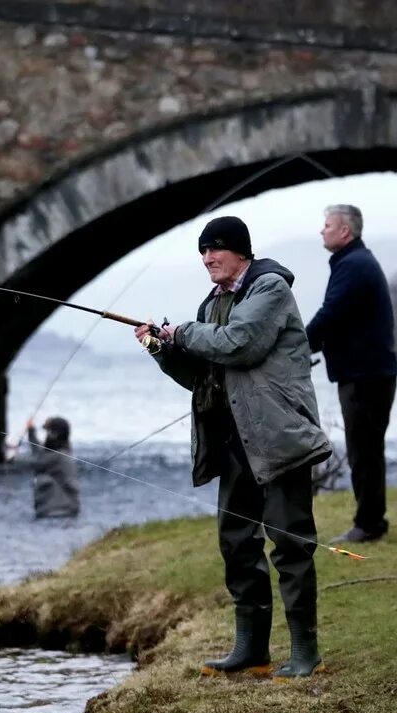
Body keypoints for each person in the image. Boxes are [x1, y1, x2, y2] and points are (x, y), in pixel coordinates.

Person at [134, 215, 332, 679]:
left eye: (216, 249)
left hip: (278, 439)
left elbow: (240, 344)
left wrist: (181, 331)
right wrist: (161, 349)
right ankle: (252, 651)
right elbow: (202, 376)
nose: (207, 258)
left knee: (290, 545)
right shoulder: (211, 306)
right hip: (232, 443)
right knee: (237, 545)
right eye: (203, 251)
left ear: (241, 250)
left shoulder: (270, 290)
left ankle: (305, 653)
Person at [305, 205, 397, 544]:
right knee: (367, 449)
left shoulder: (353, 266)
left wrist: (297, 347)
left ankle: (369, 524)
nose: (322, 231)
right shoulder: (354, 263)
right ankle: (370, 521)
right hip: (369, 373)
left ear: (345, 231)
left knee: (364, 451)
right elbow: (338, 318)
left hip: (366, 375)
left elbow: (330, 315)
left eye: (327, 225)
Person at [25, 416, 81, 518]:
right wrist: (31, 431)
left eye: (48, 432)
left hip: (59, 513)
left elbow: (35, 462)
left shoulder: (57, 456)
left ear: (55, 434)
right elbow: (40, 454)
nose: (46, 435)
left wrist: (10, 456)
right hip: (57, 511)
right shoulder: (59, 453)